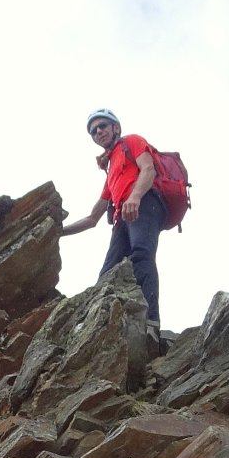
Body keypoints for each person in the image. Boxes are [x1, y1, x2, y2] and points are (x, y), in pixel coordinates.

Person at [60, 108, 165, 323]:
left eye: (102, 126)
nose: (98, 131)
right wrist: (59, 232)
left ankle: (151, 322)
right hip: (122, 219)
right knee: (108, 274)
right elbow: (92, 218)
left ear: (115, 127)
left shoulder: (132, 141)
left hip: (145, 203)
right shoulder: (111, 171)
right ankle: (100, 326)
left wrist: (135, 197)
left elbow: (148, 169)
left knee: (142, 255)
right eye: (93, 131)